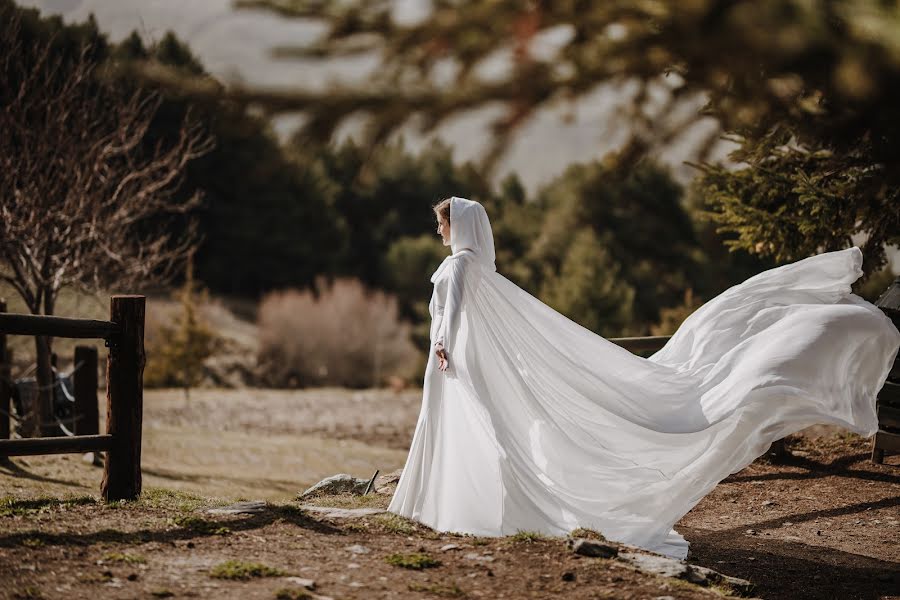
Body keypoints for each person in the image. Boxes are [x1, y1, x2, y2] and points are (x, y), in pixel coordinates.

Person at [386, 195, 900, 559]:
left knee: (467, 429)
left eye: (442, 224)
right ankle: (458, 500)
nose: (439, 231)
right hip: (464, 360)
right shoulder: (480, 270)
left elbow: (450, 318)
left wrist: (440, 348)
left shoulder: (457, 270)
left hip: (454, 360)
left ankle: (445, 500)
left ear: (457, 227)